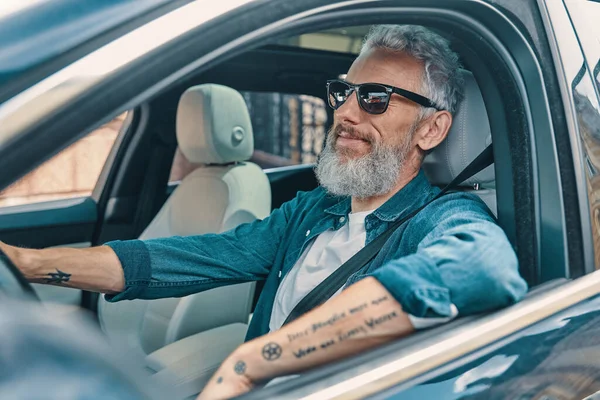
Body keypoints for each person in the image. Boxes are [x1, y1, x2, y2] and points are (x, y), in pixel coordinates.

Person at [0, 25, 527, 399]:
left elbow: (482, 268)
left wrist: (252, 363)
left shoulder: (442, 218)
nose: (343, 111)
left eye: (375, 98)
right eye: (343, 92)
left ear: (432, 130)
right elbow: (189, 258)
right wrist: (27, 263)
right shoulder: (313, 212)